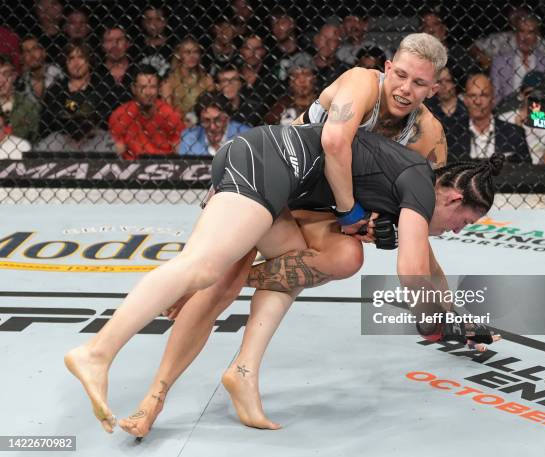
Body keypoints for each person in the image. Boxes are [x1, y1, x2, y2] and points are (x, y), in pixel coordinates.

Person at [65, 118, 504, 435]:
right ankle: (97, 352)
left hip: (283, 193)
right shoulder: (417, 182)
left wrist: (456, 320)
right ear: (453, 196)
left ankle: (224, 378)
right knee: (204, 272)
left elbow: (428, 267)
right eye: (463, 222)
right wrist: (432, 320)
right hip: (264, 165)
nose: (456, 232)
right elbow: (411, 273)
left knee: (304, 265)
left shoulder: (412, 185)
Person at [116, 32, 452, 436]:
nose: (405, 89)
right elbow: (332, 142)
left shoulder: (428, 136)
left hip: (318, 209)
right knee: (218, 287)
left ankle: (242, 366)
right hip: (272, 184)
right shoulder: (361, 84)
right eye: (400, 75)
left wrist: (447, 310)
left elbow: (414, 218)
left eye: (419, 83)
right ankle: (154, 396)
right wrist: (351, 212)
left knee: (345, 257)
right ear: (387, 68)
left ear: (434, 88)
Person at [446, 73, 529, 163]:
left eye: (483, 95)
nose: (477, 101)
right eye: (472, 96)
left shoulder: (514, 133)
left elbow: (527, 171)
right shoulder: (451, 134)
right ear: (465, 100)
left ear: (493, 99)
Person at [108, 65, 184, 160]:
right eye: (143, 87)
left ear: (159, 89)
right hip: (131, 168)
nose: (148, 92)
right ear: (134, 89)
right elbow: (117, 153)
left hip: (164, 166)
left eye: (152, 87)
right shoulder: (120, 115)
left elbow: (180, 152)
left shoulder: (171, 115)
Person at [490, 14, 545, 104]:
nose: (525, 38)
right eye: (522, 31)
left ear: (537, 36)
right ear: (516, 34)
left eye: (530, 32)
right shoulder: (499, 62)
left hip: (536, 112)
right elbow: (495, 97)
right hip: (506, 112)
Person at [160, 37, 214, 125]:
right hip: (178, 126)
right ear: (178, 54)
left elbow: (213, 108)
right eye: (187, 52)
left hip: (204, 125)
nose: (192, 56)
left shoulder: (207, 79)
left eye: (195, 52)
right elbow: (166, 113)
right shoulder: (169, 82)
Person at [178, 92, 250, 156]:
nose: (212, 127)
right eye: (206, 120)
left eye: (218, 120)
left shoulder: (246, 136)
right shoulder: (188, 137)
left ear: (227, 118)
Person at [0, 55, 41, 143]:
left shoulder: (29, 106)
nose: (1, 80)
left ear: (14, 76)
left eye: (6, 74)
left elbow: (35, 141)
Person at [264, 61, 317, 125]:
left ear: (314, 78)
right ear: (290, 81)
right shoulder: (282, 104)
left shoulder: (322, 103)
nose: (302, 81)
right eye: (296, 76)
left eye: (306, 75)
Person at [17, 35, 64, 104]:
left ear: (44, 52)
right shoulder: (21, 82)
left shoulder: (57, 73)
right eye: (27, 51)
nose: (31, 54)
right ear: (22, 58)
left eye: (34, 48)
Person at [425, 67, 468, 134]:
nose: (443, 86)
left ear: (455, 83)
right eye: (439, 82)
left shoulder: (466, 108)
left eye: (448, 81)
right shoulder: (428, 109)